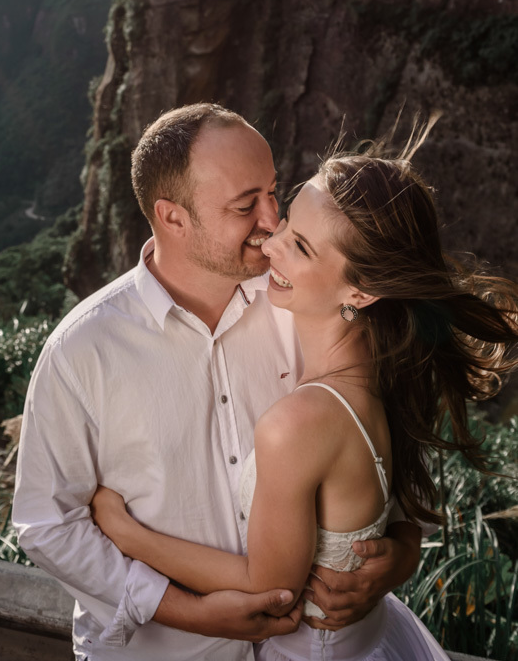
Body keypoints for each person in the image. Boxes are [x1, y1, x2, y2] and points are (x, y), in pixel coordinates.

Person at [13, 104, 423, 661]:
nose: (273, 220)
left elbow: (367, 455)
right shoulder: (81, 352)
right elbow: (48, 527)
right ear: (173, 217)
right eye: (245, 204)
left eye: (274, 192)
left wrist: (397, 552)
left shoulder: (304, 304)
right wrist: (183, 609)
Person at [90, 130, 518, 660]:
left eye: (300, 246)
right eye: (287, 222)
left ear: (360, 292)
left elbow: (270, 588)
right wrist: (401, 548)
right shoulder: (385, 369)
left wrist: (125, 533)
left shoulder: (298, 423)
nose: (270, 242)